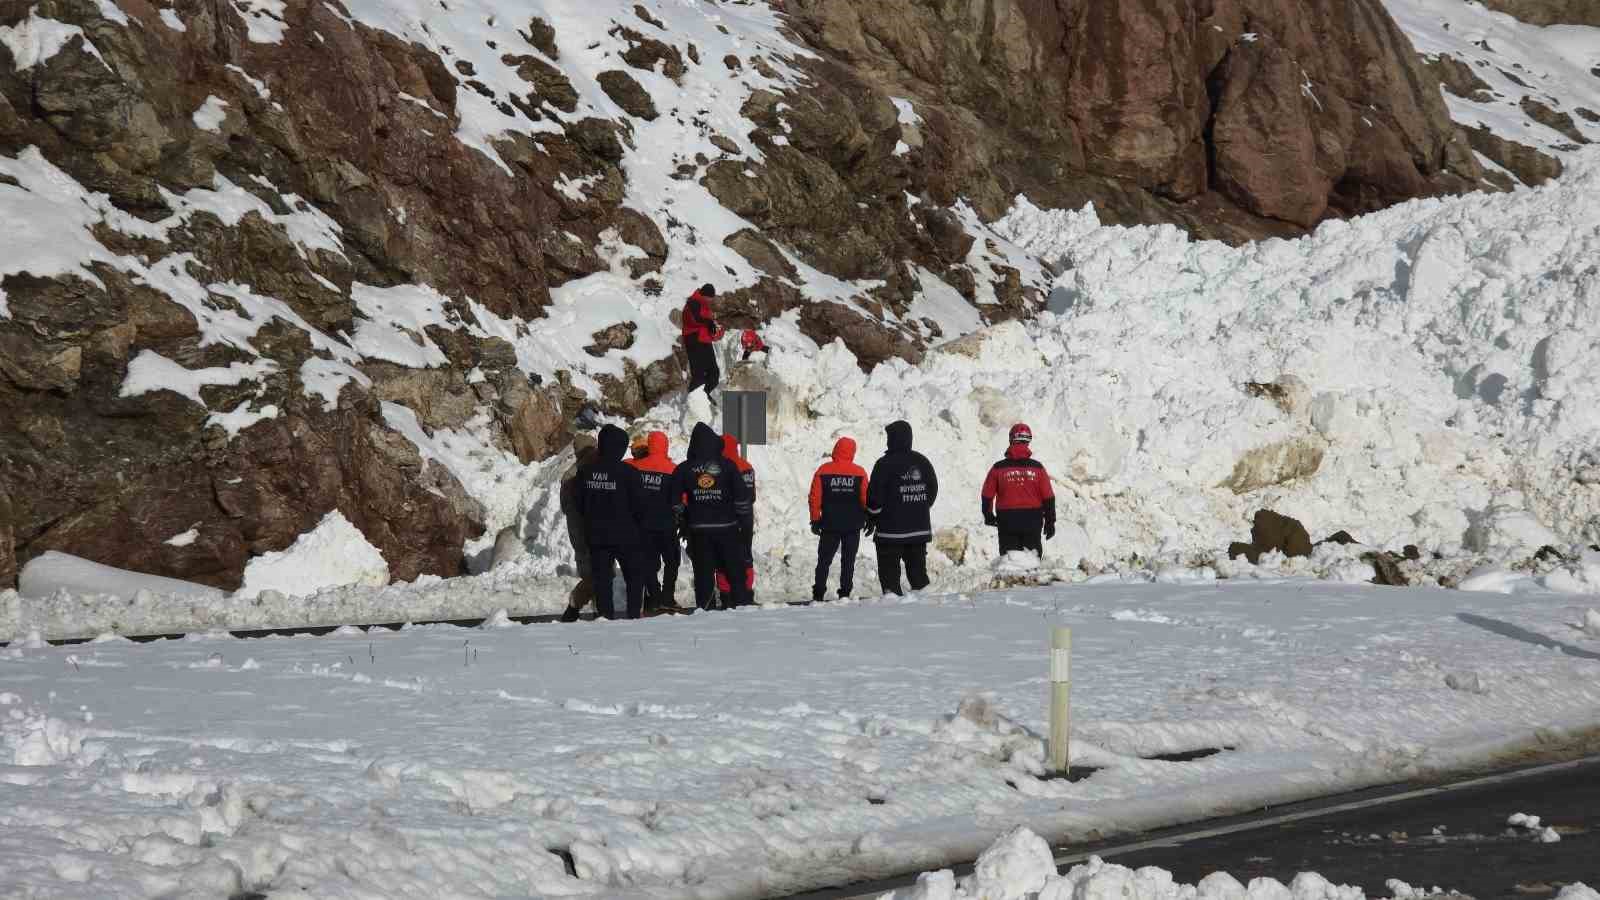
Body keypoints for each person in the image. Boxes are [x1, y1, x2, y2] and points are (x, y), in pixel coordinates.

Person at [670, 423, 753, 610]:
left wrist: (685, 515)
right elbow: (742, 498)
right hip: (727, 528)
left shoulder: (684, 468)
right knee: (734, 570)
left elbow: (674, 501)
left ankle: (706, 609)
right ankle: (742, 606)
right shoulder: (728, 466)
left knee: (704, 573)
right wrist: (743, 521)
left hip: (699, 530)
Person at [577, 424, 650, 619]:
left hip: (597, 535)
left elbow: (579, 504)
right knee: (634, 577)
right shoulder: (629, 473)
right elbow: (640, 506)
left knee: (603, 580)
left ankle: (605, 617)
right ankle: (634, 614)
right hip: (626, 535)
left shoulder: (585, 472)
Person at [866, 420, 938, 596]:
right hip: (918, 531)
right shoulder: (923, 461)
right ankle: (924, 611)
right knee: (919, 577)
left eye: (889, 437)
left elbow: (874, 498)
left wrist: (873, 515)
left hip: (890, 533)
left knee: (890, 578)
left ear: (893, 439)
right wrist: (918, 507)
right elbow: (932, 489)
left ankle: (893, 615)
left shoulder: (884, 464)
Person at [981, 423, 1056, 556]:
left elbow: (987, 495)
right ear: (1028, 441)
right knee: (1032, 559)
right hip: (1033, 519)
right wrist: (1050, 522)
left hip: (1007, 519)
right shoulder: (1038, 468)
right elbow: (1048, 497)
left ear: (1011, 439)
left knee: (1009, 560)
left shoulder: (998, 468)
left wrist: (988, 516)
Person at [809, 436, 869, 602]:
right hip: (853, 525)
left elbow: (815, 497)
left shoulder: (823, 470)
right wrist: (867, 517)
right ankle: (845, 593)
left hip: (829, 524)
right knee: (848, 561)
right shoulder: (860, 472)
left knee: (824, 561)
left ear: (836, 449)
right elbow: (866, 499)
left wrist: (815, 519)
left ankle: (818, 592)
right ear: (852, 452)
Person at [627, 430, 681, 613]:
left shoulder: (635, 467)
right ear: (665, 446)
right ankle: (667, 597)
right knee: (672, 562)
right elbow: (680, 499)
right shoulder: (673, 469)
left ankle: (655, 596)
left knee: (648, 563)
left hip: (643, 526)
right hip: (666, 525)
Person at [558, 434, 600, 623]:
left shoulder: (569, 475)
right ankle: (574, 608)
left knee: (593, 572)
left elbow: (566, 508)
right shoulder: (593, 470)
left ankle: (597, 610)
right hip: (588, 530)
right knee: (597, 574)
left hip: (578, 532)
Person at [716, 433, 757, 605]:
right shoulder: (747, 466)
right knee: (746, 556)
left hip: (727, 520)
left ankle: (726, 595)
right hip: (746, 519)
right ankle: (747, 593)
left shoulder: (721, 467)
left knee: (723, 559)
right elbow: (752, 496)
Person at [681, 283, 724, 405]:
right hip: (694, 340)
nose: (711, 300)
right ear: (705, 295)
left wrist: (716, 332)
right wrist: (708, 322)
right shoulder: (693, 302)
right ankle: (693, 402)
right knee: (699, 375)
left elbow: (706, 325)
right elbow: (694, 319)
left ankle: (703, 396)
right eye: (711, 297)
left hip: (704, 341)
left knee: (714, 373)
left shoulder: (705, 305)